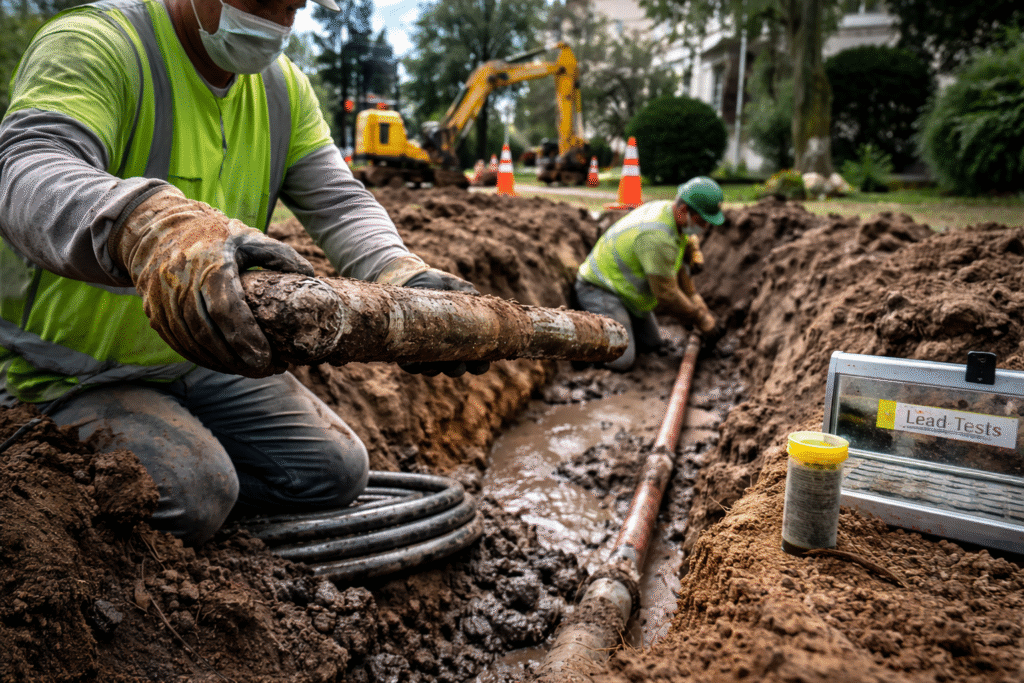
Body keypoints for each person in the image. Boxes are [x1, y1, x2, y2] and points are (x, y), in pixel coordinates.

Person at [0, 0, 487, 546]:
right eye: (261, 2)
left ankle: (212, 508)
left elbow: (341, 204)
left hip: (197, 349)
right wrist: (148, 226)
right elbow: (27, 171)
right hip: (63, 368)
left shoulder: (284, 91)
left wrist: (402, 275)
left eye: (291, 7)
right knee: (194, 493)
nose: (276, 23)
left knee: (334, 471)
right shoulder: (100, 42)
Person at [575, 176, 724, 371]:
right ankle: (578, 353)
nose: (704, 227)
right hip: (601, 289)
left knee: (652, 345)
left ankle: (623, 326)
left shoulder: (671, 215)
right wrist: (701, 319)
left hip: (627, 295)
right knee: (621, 360)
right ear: (683, 211)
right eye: (702, 221)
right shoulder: (657, 237)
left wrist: (694, 250)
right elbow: (667, 295)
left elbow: (686, 280)